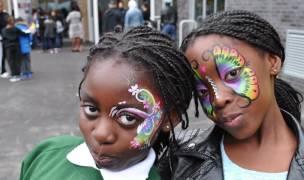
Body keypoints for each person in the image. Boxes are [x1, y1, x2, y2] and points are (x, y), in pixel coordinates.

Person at [19, 26, 195, 180]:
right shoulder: (45, 155)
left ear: (169, 118)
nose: (101, 134)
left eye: (128, 118)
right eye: (91, 109)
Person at [160, 10, 304, 180]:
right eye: (203, 91)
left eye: (233, 74)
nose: (218, 100)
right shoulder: (182, 156)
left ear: (272, 62)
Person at [2, 16, 29, 82]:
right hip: (16, 46)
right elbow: (24, 34)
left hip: (8, 47)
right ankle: (17, 74)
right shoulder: (16, 29)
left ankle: (13, 75)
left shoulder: (3, 30)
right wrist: (29, 31)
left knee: (11, 61)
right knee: (17, 61)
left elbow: (3, 39)